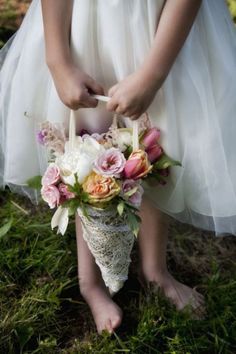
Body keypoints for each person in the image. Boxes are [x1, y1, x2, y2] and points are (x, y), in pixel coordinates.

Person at [1, 0, 236, 334]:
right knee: (87, 146)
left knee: (157, 140)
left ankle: (154, 269)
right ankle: (90, 281)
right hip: (86, 23)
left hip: (159, 29)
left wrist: (152, 74)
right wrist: (58, 61)